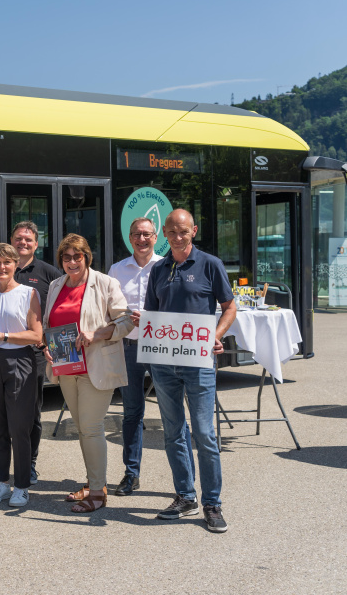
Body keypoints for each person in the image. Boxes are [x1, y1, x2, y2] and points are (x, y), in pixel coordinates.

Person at [144, 209, 236, 533]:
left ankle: (212, 503)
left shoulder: (210, 264)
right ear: (164, 234)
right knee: (173, 432)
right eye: (172, 232)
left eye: (183, 231)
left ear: (193, 231)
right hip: (163, 364)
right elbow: (152, 313)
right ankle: (185, 496)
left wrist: (215, 335)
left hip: (198, 362)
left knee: (204, 433)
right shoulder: (158, 269)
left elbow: (229, 307)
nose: (178, 237)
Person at [43, 234, 133, 513]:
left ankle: (97, 492)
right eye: (66, 257)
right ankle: (94, 482)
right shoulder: (56, 285)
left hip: (96, 367)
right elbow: (49, 324)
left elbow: (126, 321)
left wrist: (97, 333)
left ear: (87, 257)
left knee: (92, 428)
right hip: (66, 368)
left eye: (77, 256)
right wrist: (47, 346)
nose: (72, 262)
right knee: (82, 428)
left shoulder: (105, 283)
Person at [0, 221, 61, 485]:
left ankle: (28, 466)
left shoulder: (48, 274)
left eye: (28, 239)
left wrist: (53, 348)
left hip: (32, 356)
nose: (23, 243)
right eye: (18, 239)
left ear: (36, 243)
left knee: (29, 416)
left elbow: (55, 315)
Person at [0, 243, 43, 508]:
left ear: (16, 264)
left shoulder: (29, 293)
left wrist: (3, 336)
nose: (1, 267)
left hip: (20, 361)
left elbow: (36, 335)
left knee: (20, 427)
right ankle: (2, 482)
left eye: (7, 262)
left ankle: (22, 486)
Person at [107, 218, 165, 496]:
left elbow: (176, 307)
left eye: (146, 234)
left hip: (161, 346)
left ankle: (184, 482)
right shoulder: (117, 270)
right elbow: (108, 308)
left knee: (172, 412)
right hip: (128, 347)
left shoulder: (167, 266)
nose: (141, 239)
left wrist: (152, 318)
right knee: (131, 413)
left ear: (155, 237)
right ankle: (132, 474)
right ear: (129, 238)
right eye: (136, 235)